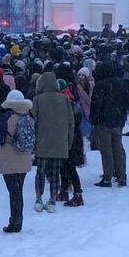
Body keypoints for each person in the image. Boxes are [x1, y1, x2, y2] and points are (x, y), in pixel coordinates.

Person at [31, 72, 74, 213]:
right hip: (59, 141)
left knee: (41, 171)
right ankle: (53, 199)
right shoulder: (65, 99)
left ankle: (38, 198)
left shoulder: (38, 99)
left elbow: (33, 122)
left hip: (43, 140)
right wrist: (69, 140)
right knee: (56, 172)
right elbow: (71, 122)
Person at [0, 89, 34, 233]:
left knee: (13, 192)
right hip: (25, 157)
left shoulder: (7, 117)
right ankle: (19, 220)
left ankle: (14, 222)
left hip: (9, 157)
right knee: (19, 191)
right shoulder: (29, 116)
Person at [90, 58, 129, 187]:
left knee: (106, 150)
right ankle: (121, 175)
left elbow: (96, 105)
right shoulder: (122, 83)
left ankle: (107, 177)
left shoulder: (101, 85)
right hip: (117, 121)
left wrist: (94, 120)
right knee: (118, 148)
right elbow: (126, 103)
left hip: (103, 121)